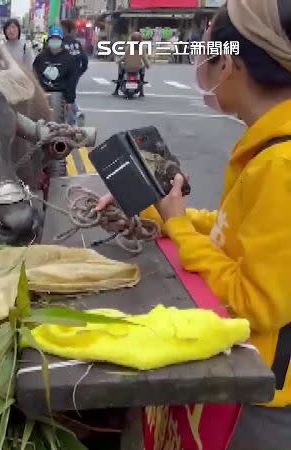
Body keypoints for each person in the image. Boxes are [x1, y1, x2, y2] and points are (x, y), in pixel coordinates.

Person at [97, 2, 291, 448]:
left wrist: (179, 229)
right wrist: (159, 213)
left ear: (230, 63)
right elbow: (238, 233)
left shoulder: (282, 162)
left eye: (209, 53)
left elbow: (254, 303)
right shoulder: (267, 144)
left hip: (258, 398)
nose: (202, 64)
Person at [33, 26, 79, 124]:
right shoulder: (41, 57)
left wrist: (70, 100)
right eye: (52, 38)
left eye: (57, 39)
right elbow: (34, 74)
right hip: (42, 93)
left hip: (59, 94)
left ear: (61, 41)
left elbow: (72, 80)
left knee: (55, 122)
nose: (54, 41)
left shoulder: (69, 59)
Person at [60, 19, 88, 125]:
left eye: (61, 28)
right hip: (74, 75)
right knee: (69, 95)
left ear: (65, 29)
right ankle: (76, 113)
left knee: (66, 97)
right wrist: (79, 73)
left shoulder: (61, 43)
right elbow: (85, 60)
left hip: (63, 75)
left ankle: (72, 120)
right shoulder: (77, 44)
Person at [113, 31, 150, 97]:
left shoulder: (129, 47)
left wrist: (118, 61)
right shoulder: (142, 48)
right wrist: (147, 66)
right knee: (143, 68)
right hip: (137, 68)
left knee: (120, 68)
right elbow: (145, 59)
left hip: (127, 67)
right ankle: (141, 91)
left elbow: (124, 57)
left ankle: (116, 89)